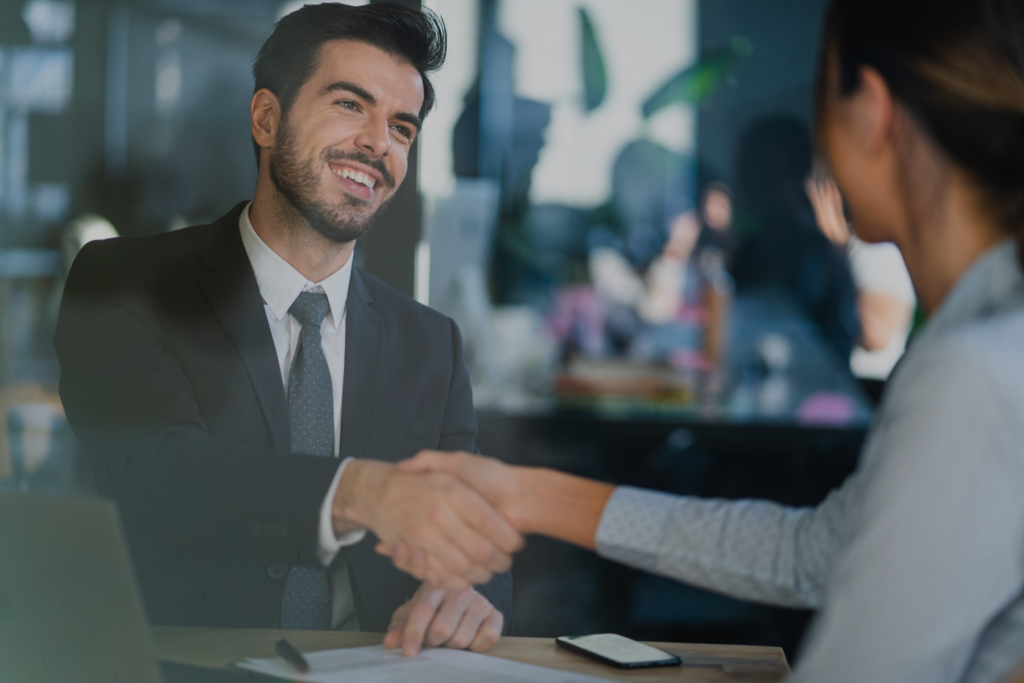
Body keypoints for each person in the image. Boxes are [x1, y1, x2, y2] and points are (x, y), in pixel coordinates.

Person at [391, 0, 1024, 679]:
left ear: (871, 112)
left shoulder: (968, 376)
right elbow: (811, 553)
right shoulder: (990, 339)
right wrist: (527, 494)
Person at [54, 3, 517, 657]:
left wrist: (468, 589)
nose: (378, 143)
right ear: (266, 118)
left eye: (401, 127)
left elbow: (475, 535)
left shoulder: (430, 343)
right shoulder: (124, 285)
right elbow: (159, 469)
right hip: (190, 666)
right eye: (351, 104)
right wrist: (357, 492)